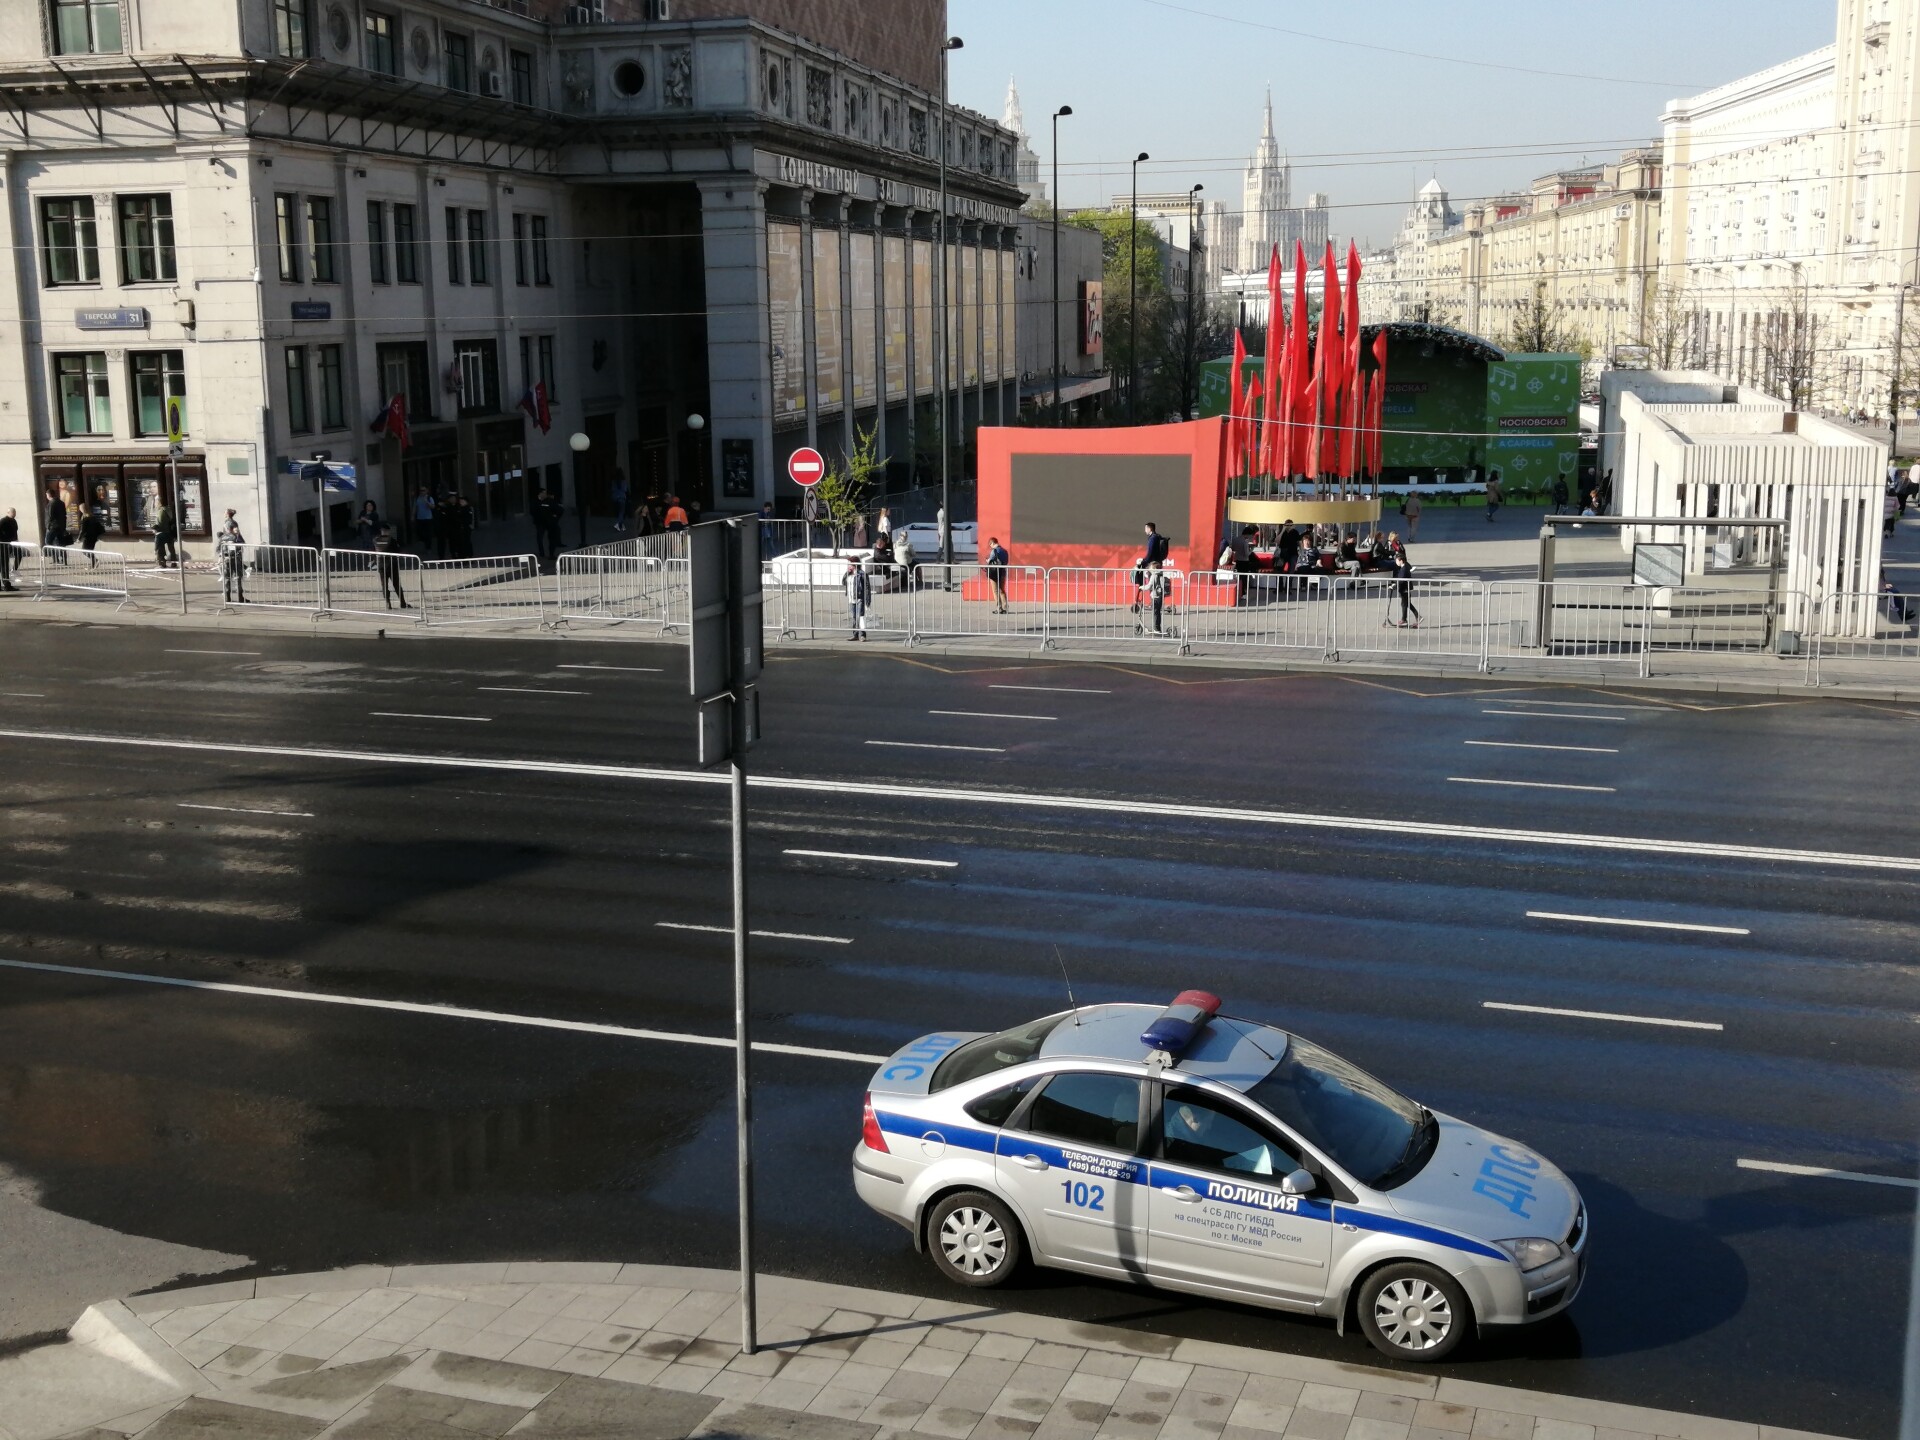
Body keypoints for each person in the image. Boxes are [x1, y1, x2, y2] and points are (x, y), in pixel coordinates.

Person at [1386, 532, 1420, 628]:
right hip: (1404, 588)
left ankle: (1413, 617)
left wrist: (1394, 585)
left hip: (1405, 588)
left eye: (1397, 560)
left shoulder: (1404, 569)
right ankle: (1406, 619)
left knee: (1405, 603)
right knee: (1405, 603)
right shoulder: (1402, 567)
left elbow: (1401, 579)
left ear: (1400, 560)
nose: (1395, 561)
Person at [374, 523, 409, 609]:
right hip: (391, 564)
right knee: (396, 584)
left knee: (384, 585)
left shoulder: (375, 539)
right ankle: (402, 603)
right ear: (388, 531)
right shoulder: (392, 540)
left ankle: (388, 603)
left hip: (381, 565)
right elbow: (398, 551)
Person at [216, 519, 247, 603]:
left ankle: (227, 598)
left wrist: (222, 556)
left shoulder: (222, 537)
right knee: (238, 578)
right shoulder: (235, 536)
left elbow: (218, 549)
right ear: (232, 528)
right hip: (235, 559)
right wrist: (238, 534)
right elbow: (242, 544)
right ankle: (240, 597)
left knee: (226, 578)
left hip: (225, 560)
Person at [1139, 559, 1169, 635]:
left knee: (1155, 612)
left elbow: (1149, 586)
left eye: (1151, 568)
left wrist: (1141, 587)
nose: (1150, 570)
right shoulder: (1160, 574)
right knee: (1158, 612)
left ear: (1155, 569)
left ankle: (1156, 629)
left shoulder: (1154, 575)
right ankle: (1158, 628)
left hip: (1155, 596)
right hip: (1160, 596)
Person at [843, 556, 869, 639]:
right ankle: (855, 634)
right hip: (851, 598)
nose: (848, 565)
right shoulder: (849, 574)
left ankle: (862, 635)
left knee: (860, 616)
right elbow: (843, 582)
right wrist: (847, 573)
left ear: (855, 564)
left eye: (850, 564)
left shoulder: (861, 574)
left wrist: (868, 599)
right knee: (854, 617)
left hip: (859, 598)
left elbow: (867, 587)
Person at [984, 536, 1010, 613]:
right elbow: (1006, 561)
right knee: (1002, 590)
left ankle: (999, 608)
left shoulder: (994, 551)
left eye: (990, 545)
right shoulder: (1005, 551)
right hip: (1003, 572)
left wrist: (987, 560)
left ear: (992, 543)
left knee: (995, 591)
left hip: (994, 573)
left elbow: (991, 561)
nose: (990, 546)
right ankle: (1005, 608)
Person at [153, 501, 178, 568]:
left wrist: (155, 528)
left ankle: (162, 563)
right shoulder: (168, 509)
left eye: (156, 502)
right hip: (170, 532)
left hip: (162, 533)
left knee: (160, 548)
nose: (155, 504)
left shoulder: (161, 511)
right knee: (171, 548)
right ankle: (174, 562)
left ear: (159, 503)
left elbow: (161, 522)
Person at [412, 486, 436, 555]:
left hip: (428, 519)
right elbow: (415, 507)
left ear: (427, 491)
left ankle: (428, 548)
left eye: (423, 490)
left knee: (428, 534)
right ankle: (424, 546)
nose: (422, 492)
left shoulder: (429, 498)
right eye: (421, 490)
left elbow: (433, 507)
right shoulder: (418, 498)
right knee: (421, 533)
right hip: (420, 518)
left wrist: (426, 501)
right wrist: (413, 516)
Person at [0, 506, 18, 591]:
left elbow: (15, 533)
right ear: (8, 513)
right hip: (2, 546)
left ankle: (6, 583)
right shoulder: (3, 521)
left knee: (4, 565)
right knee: (3, 566)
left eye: (14, 512)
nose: (14, 514)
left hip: (10, 545)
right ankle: (7, 584)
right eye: (12, 512)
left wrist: (16, 541)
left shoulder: (14, 521)